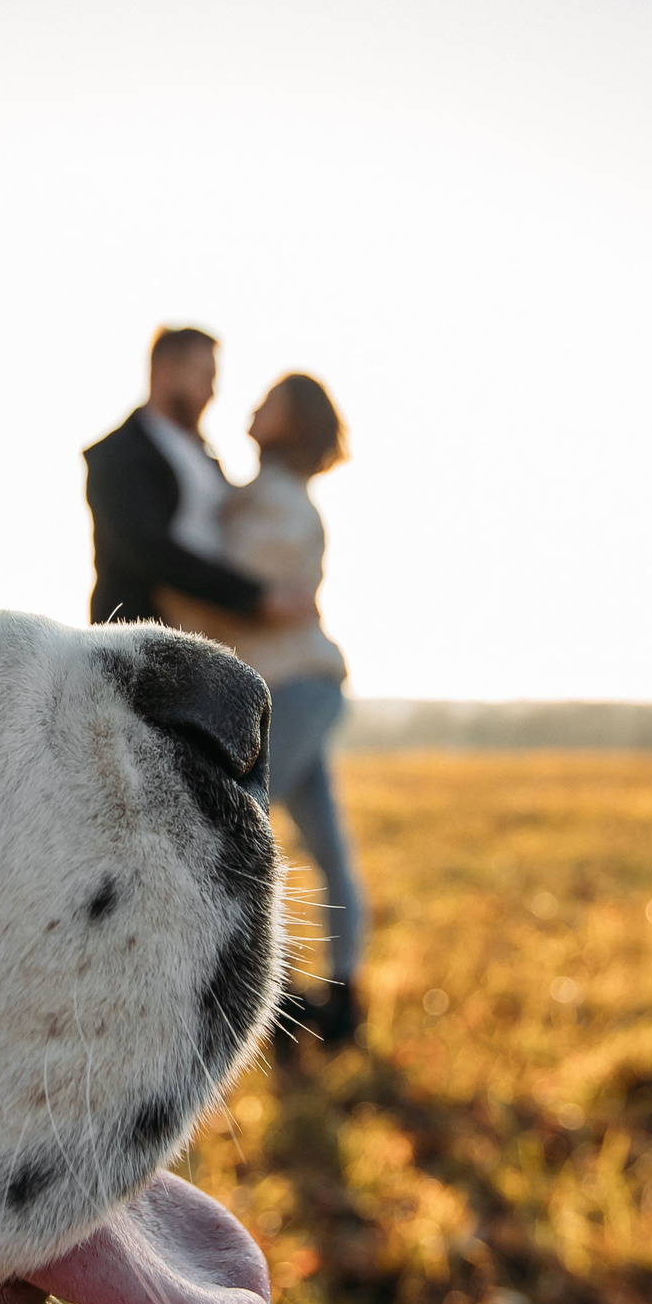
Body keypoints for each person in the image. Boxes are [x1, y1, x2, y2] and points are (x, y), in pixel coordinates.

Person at [156, 374, 365, 1050]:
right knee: (323, 844)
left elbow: (233, 590)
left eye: (268, 402)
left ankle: (290, 1001)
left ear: (293, 422)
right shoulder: (260, 494)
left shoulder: (278, 502)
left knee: (244, 830)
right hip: (291, 686)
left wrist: (159, 573)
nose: (252, 407)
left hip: (296, 688)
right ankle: (334, 999)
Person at [82, 327, 313, 628]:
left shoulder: (206, 459)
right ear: (165, 372)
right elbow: (147, 549)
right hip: (142, 646)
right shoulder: (118, 454)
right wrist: (255, 597)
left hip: (211, 642)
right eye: (205, 376)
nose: (212, 391)